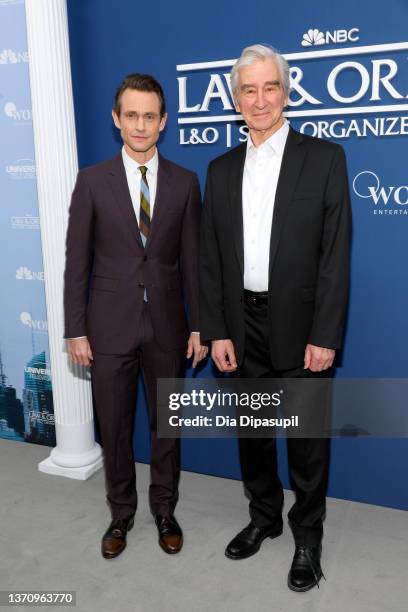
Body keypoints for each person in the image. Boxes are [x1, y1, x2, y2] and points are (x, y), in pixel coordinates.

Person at [199, 44, 351, 591]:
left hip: (303, 327)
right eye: (248, 89)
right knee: (254, 434)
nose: (259, 100)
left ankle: (307, 537)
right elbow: (210, 260)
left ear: (285, 92)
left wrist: (325, 334)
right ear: (235, 98)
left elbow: (335, 257)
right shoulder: (218, 170)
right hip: (242, 326)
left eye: (269, 87)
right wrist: (216, 329)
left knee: (307, 439)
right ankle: (263, 518)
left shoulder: (325, 158)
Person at [64, 73, 207, 559]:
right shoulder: (91, 182)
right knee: (115, 425)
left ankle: (165, 510)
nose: (140, 125)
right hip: (108, 326)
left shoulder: (186, 183)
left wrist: (199, 323)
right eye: (131, 115)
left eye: (150, 116)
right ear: (116, 119)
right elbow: (76, 261)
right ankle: (120, 513)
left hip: (167, 324)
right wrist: (75, 328)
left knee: (167, 425)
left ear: (163, 122)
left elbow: (193, 261)